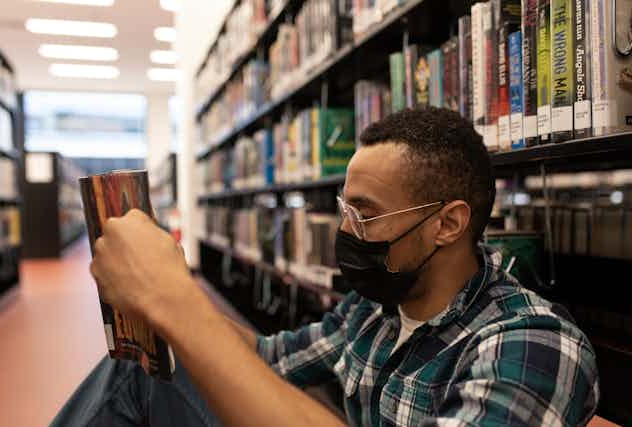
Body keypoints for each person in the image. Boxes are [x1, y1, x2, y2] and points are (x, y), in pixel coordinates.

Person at [51, 107, 599, 427]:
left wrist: (175, 301)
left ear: (448, 224)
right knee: (140, 368)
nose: (344, 233)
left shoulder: (534, 344)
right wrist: (163, 293)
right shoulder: (377, 309)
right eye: (344, 209)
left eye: (365, 215)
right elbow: (268, 358)